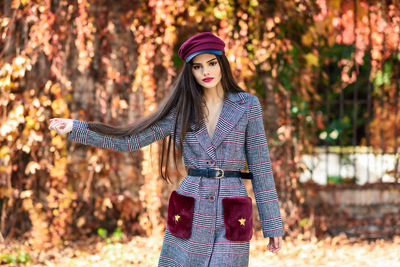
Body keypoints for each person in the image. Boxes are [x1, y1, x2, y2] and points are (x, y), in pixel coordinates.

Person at [49, 32, 284, 266]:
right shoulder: (181, 111)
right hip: (192, 204)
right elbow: (129, 141)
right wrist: (75, 128)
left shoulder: (247, 105)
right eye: (197, 67)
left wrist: (272, 224)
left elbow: (260, 167)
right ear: (190, 71)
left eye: (212, 63)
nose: (206, 72)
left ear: (222, 62)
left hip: (231, 209)